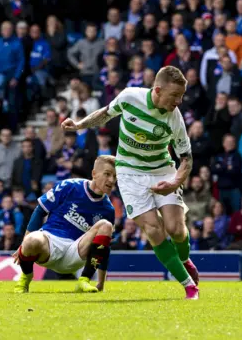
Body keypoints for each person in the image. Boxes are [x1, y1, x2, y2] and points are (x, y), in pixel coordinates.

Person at [61, 66, 200, 300]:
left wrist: (176, 181)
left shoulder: (174, 118)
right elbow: (105, 113)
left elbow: (186, 158)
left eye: (181, 96)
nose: (179, 101)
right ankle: (189, 286)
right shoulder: (130, 97)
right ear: (157, 90)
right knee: (154, 230)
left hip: (162, 170)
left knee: (176, 230)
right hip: (130, 173)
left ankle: (184, 259)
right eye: (175, 96)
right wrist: (79, 125)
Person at [13, 156, 116, 294]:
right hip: (49, 244)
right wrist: (23, 245)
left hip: (76, 252)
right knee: (31, 239)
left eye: (115, 176)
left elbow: (104, 249)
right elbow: (40, 211)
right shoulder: (70, 186)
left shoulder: (108, 209)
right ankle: (26, 277)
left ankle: (84, 280)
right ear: (94, 174)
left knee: (106, 225)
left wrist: (101, 283)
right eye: (107, 174)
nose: (111, 180)